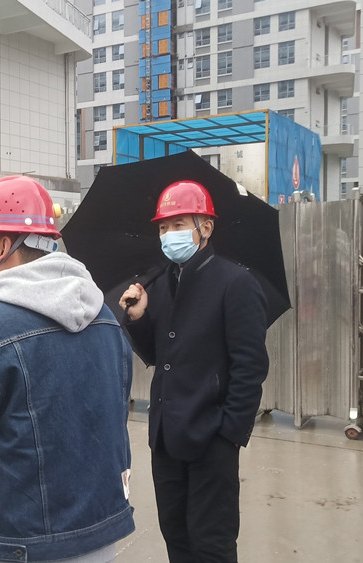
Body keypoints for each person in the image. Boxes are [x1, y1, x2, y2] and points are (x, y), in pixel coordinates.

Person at [0, 176, 135, 563]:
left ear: (2, 246)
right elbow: (113, 420)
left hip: (17, 540)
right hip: (100, 530)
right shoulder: (105, 318)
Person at [118, 180, 269, 563]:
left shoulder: (236, 283)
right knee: (176, 536)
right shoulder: (160, 282)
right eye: (163, 227)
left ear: (206, 227)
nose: (169, 235)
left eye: (179, 225)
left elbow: (250, 367)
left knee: (211, 543)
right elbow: (158, 355)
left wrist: (228, 434)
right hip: (166, 438)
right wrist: (138, 318)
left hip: (211, 438)